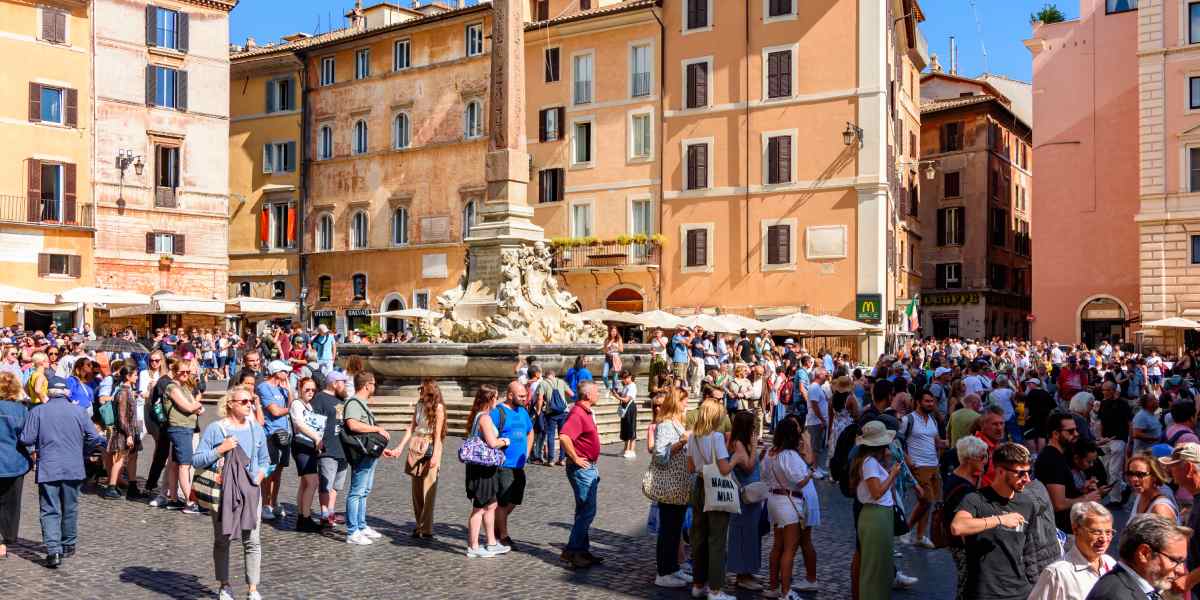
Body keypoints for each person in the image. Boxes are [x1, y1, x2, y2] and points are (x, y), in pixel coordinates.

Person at [192, 385, 269, 600]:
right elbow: (197, 459)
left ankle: (253, 588)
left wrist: (260, 476)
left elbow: (265, 460)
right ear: (230, 404)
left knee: (252, 541)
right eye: (243, 402)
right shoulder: (217, 429)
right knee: (222, 539)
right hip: (224, 492)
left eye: (250, 401)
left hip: (252, 491)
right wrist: (221, 449)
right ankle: (224, 585)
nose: (248, 405)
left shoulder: (256, 429)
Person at [19, 375, 104, 568]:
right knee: (70, 506)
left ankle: (53, 551)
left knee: (50, 508)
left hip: (49, 466)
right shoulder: (79, 411)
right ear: (67, 392)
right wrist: (83, 450)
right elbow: (94, 437)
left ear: (49, 392)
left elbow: (26, 438)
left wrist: (35, 450)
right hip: (73, 465)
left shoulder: (38, 411)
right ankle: (68, 544)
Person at [950, 442, 1037, 600]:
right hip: (984, 592)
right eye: (1021, 473)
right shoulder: (975, 500)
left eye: (1028, 472)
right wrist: (999, 520)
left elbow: (1029, 551)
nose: (1027, 479)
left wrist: (1034, 587)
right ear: (1001, 471)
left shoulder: (1027, 504)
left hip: (1021, 592)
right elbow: (957, 527)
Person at [762, 416, 818, 598]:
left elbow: (763, 474)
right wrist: (810, 472)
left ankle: (773, 587)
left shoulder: (771, 453)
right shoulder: (790, 455)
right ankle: (786, 591)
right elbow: (799, 481)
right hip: (789, 503)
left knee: (777, 546)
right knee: (790, 549)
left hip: (773, 501)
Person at [687, 399, 736, 600]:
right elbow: (724, 468)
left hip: (699, 485)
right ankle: (715, 589)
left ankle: (698, 583)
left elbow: (690, 467)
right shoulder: (716, 437)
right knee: (716, 540)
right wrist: (737, 459)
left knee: (699, 537)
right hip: (715, 487)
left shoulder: (693, 438)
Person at [389, 378, 446, 540]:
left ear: (429, 391)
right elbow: (411, 427)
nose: (419, 392)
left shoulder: (439, 408)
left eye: (422, 389)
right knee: (416, 490)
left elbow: (438, 435)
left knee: (428, 489)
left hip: (430, 446)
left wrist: (436, 455)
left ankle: (426, 528)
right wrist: (399, 447)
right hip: (416, 445)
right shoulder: (419, 405)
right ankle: (418, 524)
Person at [1085, 514, 1189, 600]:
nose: (1181, 571)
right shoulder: (1115, 596)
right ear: (1144, 553)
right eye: (1174, 560)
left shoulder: (1151, 589)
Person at [1028, 502, 1117, 600]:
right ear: (1076, 529)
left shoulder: (1111, 564)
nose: (1104, 539)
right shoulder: (1057, 574)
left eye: (1108, 532)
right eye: (1096, 532)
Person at [852, 420, 901, 600]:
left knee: (880, 566)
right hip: (876, 515)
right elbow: (877, 492)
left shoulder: (871, 462)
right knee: (875, 567)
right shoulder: (869, 463)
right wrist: (893, 473)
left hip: (879, 515)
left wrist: (888, 466)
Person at [558, 379, 603, 569]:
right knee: (587, 511)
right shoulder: (577, 413)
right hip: (582, 468)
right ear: (587, 395)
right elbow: (564, 436)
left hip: (588, 467)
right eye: (597, 392)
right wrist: (575, 458)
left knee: (583, 511)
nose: (599, 394)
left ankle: (582, 551)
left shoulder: (585, 412)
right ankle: (573, 551)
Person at [651, 387, 693, 588]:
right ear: (677, 402)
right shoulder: (666, 424)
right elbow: (659, 454)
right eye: (684, 401)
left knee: (675, 529)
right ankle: (663, 572)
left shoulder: (677, 423)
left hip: (680, 484)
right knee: (668, 529)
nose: (687, 404)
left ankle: (673, 568)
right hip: (669, 484)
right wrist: (682, 441)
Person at [343, 371, 389, 545]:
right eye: (374, 384)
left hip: (369, 452)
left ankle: (361, 526)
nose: (374, 387)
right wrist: (377, 430)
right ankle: (352, 531)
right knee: (356, 492)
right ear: (367, 385)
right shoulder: (354, 403)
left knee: (364, 491)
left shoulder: (362, 403)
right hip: (360, 454)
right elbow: (352, 424)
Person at [464, 385, 509, 558]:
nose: (497, 401)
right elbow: (492, 443)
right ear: (490, 399)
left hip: (484, 468)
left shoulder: (479, 416)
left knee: (491, 505)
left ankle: (491, 543)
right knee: (479, 508)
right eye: (496, 397)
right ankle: (473, 546)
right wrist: (504, 441)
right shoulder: (484, 418)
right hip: (481, 469)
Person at [1037, 412, 1101, 532]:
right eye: (1070, 431)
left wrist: (1081, 490)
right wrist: (1086, 498)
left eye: (1076, 430)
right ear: (1055, 434)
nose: (1076, 434)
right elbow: (1058, 504)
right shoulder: (1052, 460)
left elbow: (1063, 493)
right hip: (1060, 530)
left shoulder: (1058, 456)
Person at [944, 435, 989, 600]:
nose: (986, 460)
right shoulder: (963, 489)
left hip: (957, 544)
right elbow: (963, 527)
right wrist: (972, 552)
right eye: (983, 457)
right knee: (967, 588)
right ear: (970, 459)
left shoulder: (957, 477)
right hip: (963, 546)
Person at [725, 410, 765, 591]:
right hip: (744, 498)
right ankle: (742, 574)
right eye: (753, 427)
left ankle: (748, 571)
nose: (755, 430)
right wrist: (755, 447)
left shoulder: (741, 443)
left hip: (751, 496)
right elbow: (748, 467)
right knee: (744, 534)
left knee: (751, 534)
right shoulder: (739, 444)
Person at [491, 380, 533, 549]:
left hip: (519, 465)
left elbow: (530, 432)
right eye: (521, 396)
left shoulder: (523, 411)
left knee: (515, 499)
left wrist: (528, 452)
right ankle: (503, 535)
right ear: (510, 395)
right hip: (504, 465)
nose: (525, 398)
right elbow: (488, 436)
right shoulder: (498, 413)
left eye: (525, 395)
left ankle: (496, 523)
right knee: (503, 501)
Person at [901, 388, 946, 548]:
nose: (930, 404)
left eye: (932, 401)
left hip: (933, 465)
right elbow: (899, 442)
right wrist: (908, 460)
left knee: (930, 502)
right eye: (927, 401)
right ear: (918, 402)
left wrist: (951, 443)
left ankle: (920, 536)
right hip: (918, 465)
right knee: (925, 500)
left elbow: (937, 442)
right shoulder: (908, 420)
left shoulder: (933, 420)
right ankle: (906, 529)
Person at [164, 358, 204, 514]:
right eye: (182, 372)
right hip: (180, 428)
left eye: (188, 372)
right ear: (175, 371)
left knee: (175, 463)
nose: (185, 374)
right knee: (185, 465)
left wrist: (196, 406)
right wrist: (197, 403)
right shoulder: (172, 387)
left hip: (186, 428)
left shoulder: (185, 388)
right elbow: (188, 407)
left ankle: (173, 499)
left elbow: (198, 408)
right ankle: (190, 501)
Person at [311, 371, 349, 528]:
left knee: (336, 485)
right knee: (326, 482)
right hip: (327, 447)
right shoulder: (319, 398)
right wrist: (317, 442)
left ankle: (331, 511)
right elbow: (315, 423)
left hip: (342, 448)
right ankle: (324, 513)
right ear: (334, 383)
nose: (345, 385)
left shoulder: (340, 399)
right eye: (343, 382)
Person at [0, 372, 30, 560]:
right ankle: (4, 540)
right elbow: (26, 437)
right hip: (13, 462)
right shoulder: (20, 410)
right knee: (11, 503)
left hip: (11, 462)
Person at [289, 377, 323, 532]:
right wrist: (316, 437)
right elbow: (300, 424)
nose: (310, 392)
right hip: (301, 445)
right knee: (313, 482)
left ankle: (302, 516)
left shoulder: (309, 405)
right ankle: (305, 518)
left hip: (309, 445)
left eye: (313, 390)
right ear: (300, 388)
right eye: (307, 389)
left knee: (305, 483)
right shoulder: (297, 404)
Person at [102, 367, 141, 500]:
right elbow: (122, 416)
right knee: (120, 458)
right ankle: (111, 487)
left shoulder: (128, 391)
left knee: (132, 457)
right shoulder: (123, 393)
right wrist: (129, 434)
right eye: (135, 375)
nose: (137, 377)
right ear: (128, 376)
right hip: (124, 431)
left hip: (132, 430)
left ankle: (132, 486)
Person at [1126, 453, 1180, 523]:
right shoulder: (1140, 495)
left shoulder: (1160, 509)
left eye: (1140, 474)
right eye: (1130, 474)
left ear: (1154, 476)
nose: (1134, 479)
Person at [804, 367, 829, 478]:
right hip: (815, 421)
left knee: (817, 446)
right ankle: (814, 468)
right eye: (825, 375)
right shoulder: (814, 387)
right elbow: (814, 405)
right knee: (815, 446)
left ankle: (816, 466)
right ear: (819, 375)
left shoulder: (817, 387)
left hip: (818, 421)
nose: (827, 377)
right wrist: (822, 419)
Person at [615, 369, 638, 459]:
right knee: (625, 428)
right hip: (625, 408)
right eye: (622, 378)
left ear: (629, 377)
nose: (623, 380)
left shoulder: (632, 386)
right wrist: (618, 393)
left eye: (625, 378)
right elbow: (624, 396)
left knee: (631, 428)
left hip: (630, 408)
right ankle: (625, 449)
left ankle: (631, 450)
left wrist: (617, 397)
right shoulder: (626, 386)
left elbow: (626, 399)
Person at [602, 326, 624, 392]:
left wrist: (616, 346)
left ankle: (614, 390)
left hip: (616, 359)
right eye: (612, 331)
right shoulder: (607, 339)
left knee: (614, 378)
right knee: (604, 375)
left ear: (617, 332)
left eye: (615, 331)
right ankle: (609, 387)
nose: (613, 333)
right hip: (608, 358)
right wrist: (608, 348)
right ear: (610, 332)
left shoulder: (619, 339)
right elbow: (604, 350)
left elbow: (622, 350)